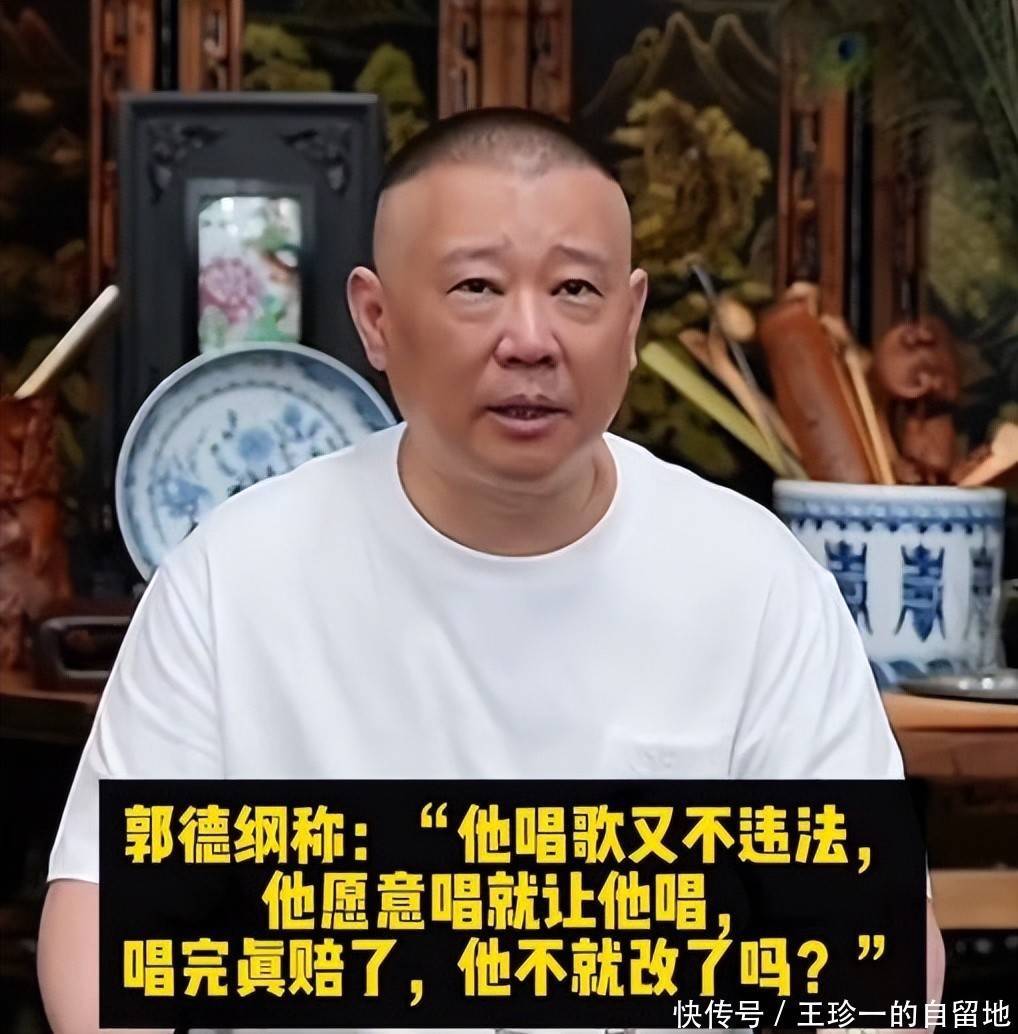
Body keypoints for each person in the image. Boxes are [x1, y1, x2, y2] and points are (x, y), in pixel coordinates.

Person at [38, 107, 943, 1034]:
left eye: (575, 291)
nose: (531, 339)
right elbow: (103, 933)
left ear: (630, 320)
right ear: (378, 319)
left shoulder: (755, 582)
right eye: (476, 286)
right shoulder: (233, 578)